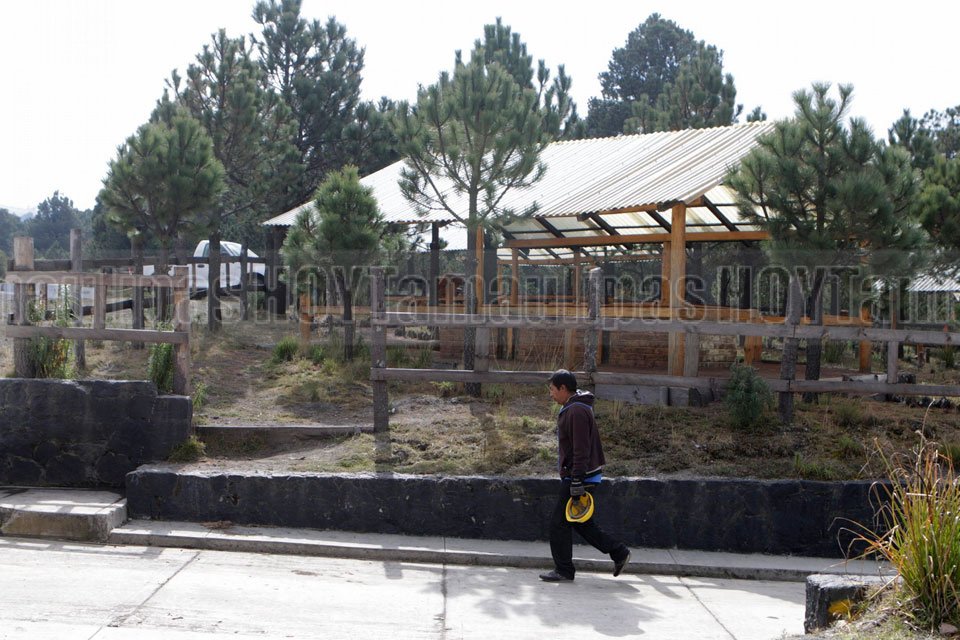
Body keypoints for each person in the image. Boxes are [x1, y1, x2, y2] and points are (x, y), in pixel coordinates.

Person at [539, 369, 631, 582]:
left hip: (581, 476)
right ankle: (619, 552)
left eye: (552, 390)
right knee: (580, 522)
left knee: (558, 524)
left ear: (563, 388)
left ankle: (564, 570)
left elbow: (582, 448)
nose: (551, 394)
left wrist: (576, 479)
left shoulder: (577, 411)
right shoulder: (574, 406)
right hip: (581, 474)